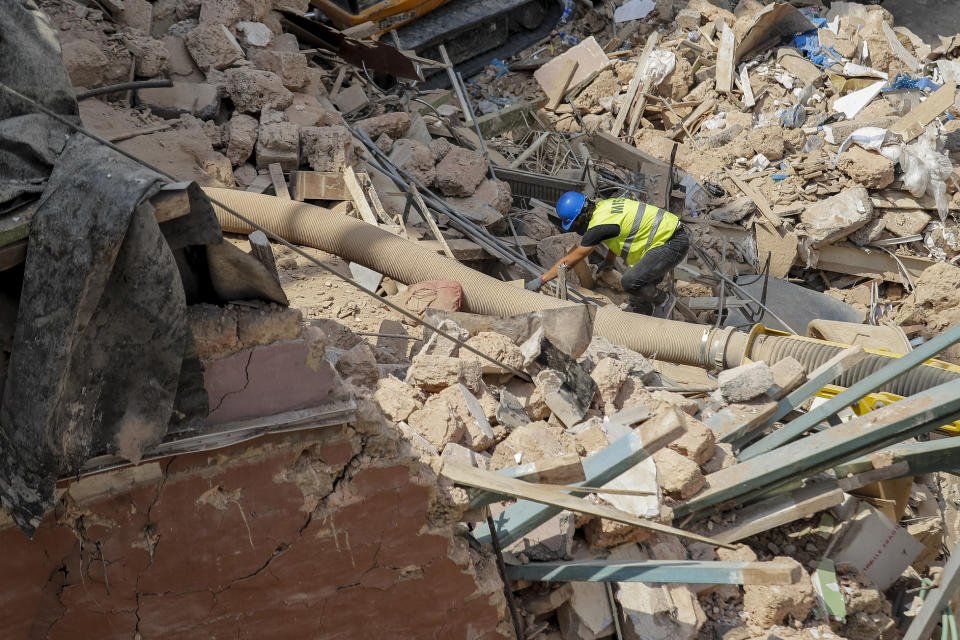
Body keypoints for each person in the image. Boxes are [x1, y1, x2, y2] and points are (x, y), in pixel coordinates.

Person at [526, 191, 689, 315]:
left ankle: (663, 301)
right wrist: (609, 261)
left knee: (630, 282)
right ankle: (643, 320)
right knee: (636, 296)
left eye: (574, 222)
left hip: (671, 244)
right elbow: (616, 234)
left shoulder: (598, 228)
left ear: (580, 217)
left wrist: (542, 279)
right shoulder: (605, 206)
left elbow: (570, 260)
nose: (574, 226)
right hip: (667, 236)